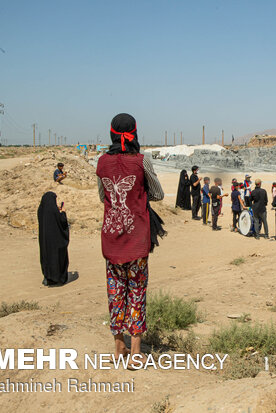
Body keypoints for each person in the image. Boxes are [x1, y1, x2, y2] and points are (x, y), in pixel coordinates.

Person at [96, 113, 164, 368]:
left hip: (112, 239)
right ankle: (136, 352)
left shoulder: (102, 162)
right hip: (137, 241)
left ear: (111, 133)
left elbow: (102, 196)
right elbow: (157, 194)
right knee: (137, 292)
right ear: (135, 133)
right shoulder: (142, 160)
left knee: (115, 293)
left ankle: (118, 347)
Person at [37, 191, 69, 285]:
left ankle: (47, 277)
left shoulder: (41, 210)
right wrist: (63, 212)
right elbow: (62, 222)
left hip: (45, 241)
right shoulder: (54, 211)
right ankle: (59, 278)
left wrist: (56, 210)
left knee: (46, 257)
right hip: (56, 241)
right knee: (57, 257)